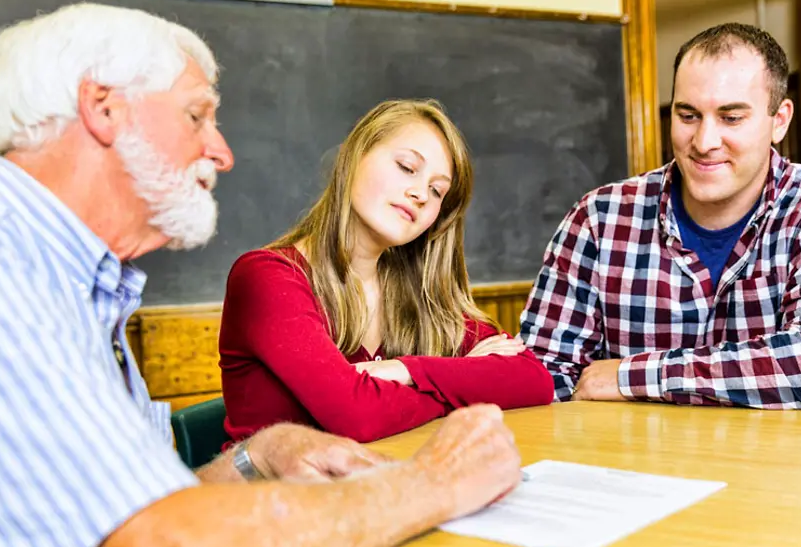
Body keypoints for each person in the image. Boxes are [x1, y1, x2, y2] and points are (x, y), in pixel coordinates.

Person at [0, 3, 523, 547]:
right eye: (196, 116)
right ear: (104, 109)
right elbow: (157, 544)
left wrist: (258, 454)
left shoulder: (82, 287)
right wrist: (432, 484)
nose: (222, 153)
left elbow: (156, 499)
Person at [520, 23, 801, 409]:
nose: (704, 142)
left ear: (779, 120)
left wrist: (633, 376)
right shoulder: (599, 219)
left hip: (777, 467)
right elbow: (542, 374)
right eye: (688, 115)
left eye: (731, 118)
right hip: (629, 465)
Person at [219, 99, 554, 444]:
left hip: (381, 486)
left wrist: (406, 370)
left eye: (437, 190)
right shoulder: (268, 277)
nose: (420, 193)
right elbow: (357, 417)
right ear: (354, 157)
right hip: (274, 494)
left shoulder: (415, 289)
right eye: (407, 167)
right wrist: (459, 388)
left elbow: (534, 379)